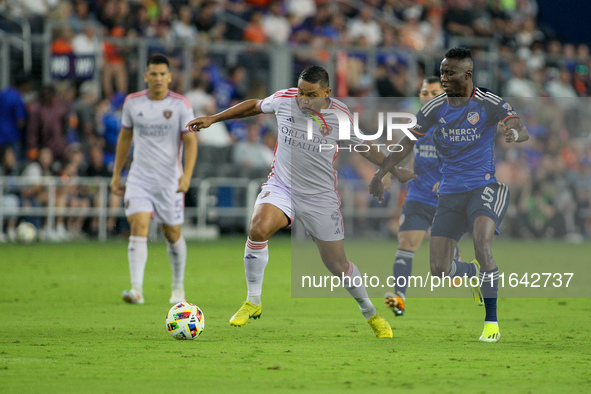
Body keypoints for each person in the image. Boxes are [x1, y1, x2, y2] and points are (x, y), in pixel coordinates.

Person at [187, 65, 415, 338]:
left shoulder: (340, 115)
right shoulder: (285, 99)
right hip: (282, 186)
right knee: (258, 229)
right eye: (301, 93)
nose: (304, 100)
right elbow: (253, 107)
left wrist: (392, 169)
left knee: (337, 265)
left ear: (327, 92)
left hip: (320, 197)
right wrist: (214, 118)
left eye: (311, 95)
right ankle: (253, 301)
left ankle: (370, 312)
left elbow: (363, 146)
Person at [370, 48, 529, 342]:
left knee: (482, 244)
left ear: (467, 75)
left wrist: (513, 134)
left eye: (449, 73)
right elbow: (406, 142)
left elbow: (520, 128)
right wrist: (381, 172)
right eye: (441, 72)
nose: (443, 78)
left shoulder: (489, 102)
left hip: (482, 187)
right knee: (440, 269)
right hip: (449, 193)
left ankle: (491, 323)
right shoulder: (434, 109)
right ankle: (472, 274)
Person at [110, 54, 197, 305]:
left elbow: (191, 142)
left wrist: (186, 176)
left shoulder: (181, 105)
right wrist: (117, 173)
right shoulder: (132, 103)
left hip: (169, 180)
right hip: (139, 177)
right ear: (146, 76)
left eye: (162, 74)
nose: (158, 78)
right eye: (153, 74)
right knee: (138, 225)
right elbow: (125, 138)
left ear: (169, 77)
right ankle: (136, 289)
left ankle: (178, 287)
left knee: (171, 232)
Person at [384, 76, 460, 317]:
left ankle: (472, 273)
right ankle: (400, 298)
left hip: (447, 200)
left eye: (434, 93)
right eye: (424, 93)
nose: (427, 97)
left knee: (445, 269)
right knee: (406, 244)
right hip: (418, 196)